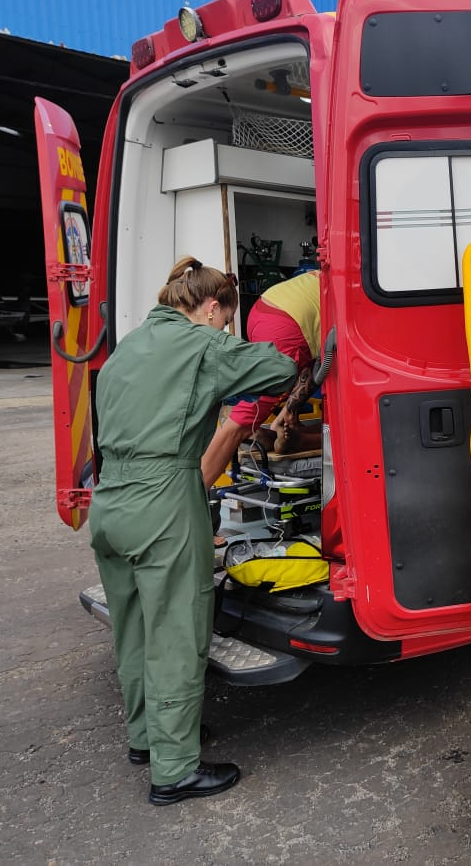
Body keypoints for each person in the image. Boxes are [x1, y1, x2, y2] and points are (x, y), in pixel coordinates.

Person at [88, 257, 297, 805]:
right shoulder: (203, 344)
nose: (224, 328)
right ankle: (175, 771)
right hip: (163, 499)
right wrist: (230, 349)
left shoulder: (127, 348)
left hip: (109, 504)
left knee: (132, 627)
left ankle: (149, 740)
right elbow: (277, 369)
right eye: (225, 319)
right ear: (210, 308)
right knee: (176, 632)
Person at [200, 269, 323, 487]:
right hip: (287, 327)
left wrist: (288, 412)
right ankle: (196, 496)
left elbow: (315, 365)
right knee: (237, 425)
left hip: (261, 311)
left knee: (254, 405)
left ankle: (270, 429)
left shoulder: (324, 276)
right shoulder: (360, 289)